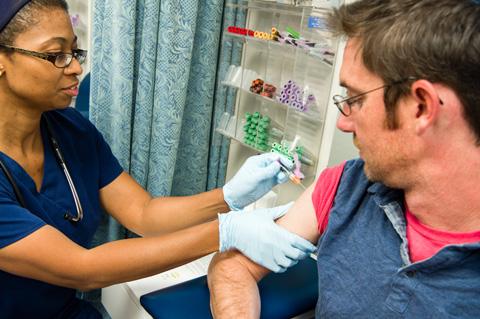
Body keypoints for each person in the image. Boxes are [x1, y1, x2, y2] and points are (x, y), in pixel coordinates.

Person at [0, 0, 316, 317]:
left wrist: (229, 196)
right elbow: (82, 268)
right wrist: (225, 232)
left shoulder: (70, 131)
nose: (76, 68)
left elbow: (143, 212)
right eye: (56, 55)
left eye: (75, 52)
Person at [207, 0, 480, 317]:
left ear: (420, 107)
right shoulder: (345, 187)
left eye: (355, 99)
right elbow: (232, 267)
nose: (343, 122)